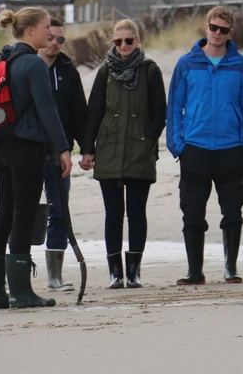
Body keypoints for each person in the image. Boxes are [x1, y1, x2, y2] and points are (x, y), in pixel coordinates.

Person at [0, 7, 72, 310]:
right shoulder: (34, 63)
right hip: (26, 148)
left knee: (4, 213)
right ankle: (21, 292)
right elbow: (47, 110)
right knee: (23, 214)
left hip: (1, 147)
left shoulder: (4, 59)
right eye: (46, 27)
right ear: (31, 30)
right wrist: (62, 148)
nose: (50, 33)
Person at [167, 7, 243, 285]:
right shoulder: (186, 63)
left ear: (231, 33)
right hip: (194, 148)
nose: (218, 33)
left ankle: (231, 268)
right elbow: (174, 107)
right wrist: (177, 145)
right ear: (206, 27)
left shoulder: (241, 65)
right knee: (192, 212)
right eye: (213, 27)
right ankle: (194, 271)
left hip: (231, 148)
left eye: (224, 30)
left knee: (232, 212)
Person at [81, 19, 166, 289]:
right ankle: (115, 274)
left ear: (138, 41)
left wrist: (148, 139)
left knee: (137, 213)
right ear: (113, 42)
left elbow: (160, 113)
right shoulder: (105, 72)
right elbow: (94, 113)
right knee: (113, 213)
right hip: (109, 151)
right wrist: (87, 149)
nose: (124, 45)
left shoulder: (150, 70)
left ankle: (134, 272)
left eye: (129, 40)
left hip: (140, 151)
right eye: (119, 41)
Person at [38, 16, 87, 292]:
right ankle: (16, 274)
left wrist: (87, 149)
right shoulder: (24, 66)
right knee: (22, 212)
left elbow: (80, 114)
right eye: (50, 37)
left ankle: (54, 277)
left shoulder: (68, 71)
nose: (55, 43)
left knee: (59, 211)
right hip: (28, 154)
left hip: (60, 154)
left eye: (60, 39)